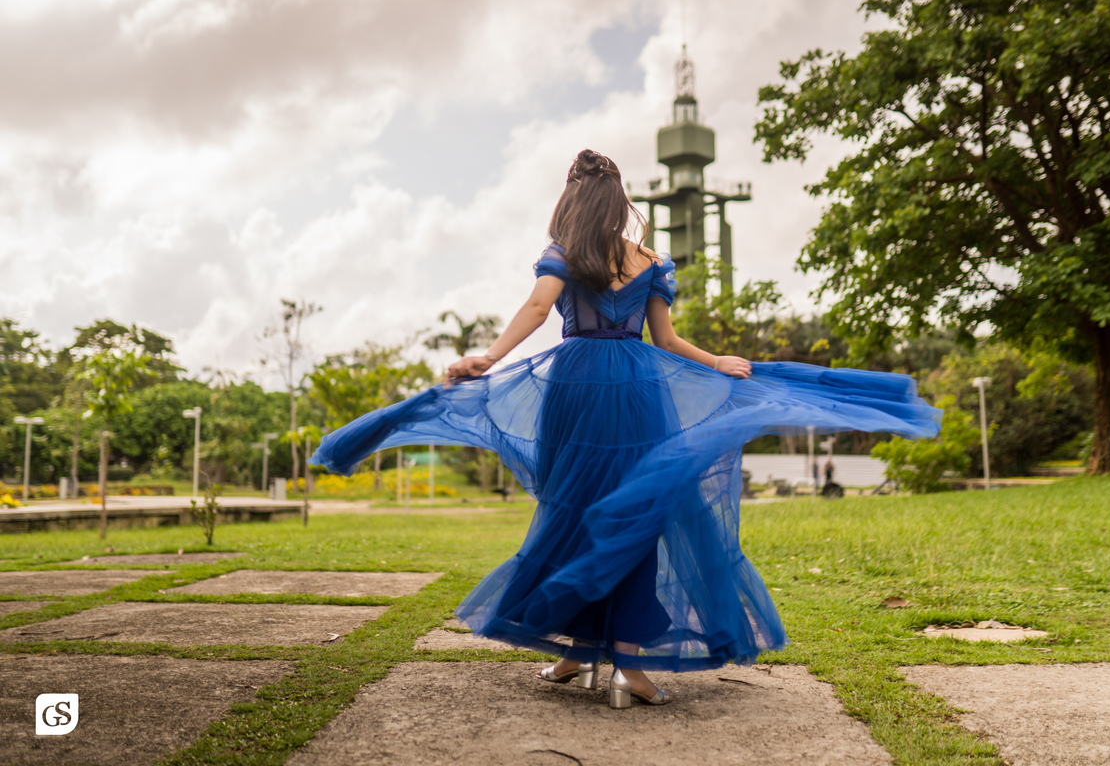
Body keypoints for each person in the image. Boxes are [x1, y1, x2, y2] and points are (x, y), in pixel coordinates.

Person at [309, 149, 942, 709]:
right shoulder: (650, 260)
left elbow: (537, 308)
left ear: (574, 201)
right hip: (639, 392)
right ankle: (617, 655)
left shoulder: (564, 255)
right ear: (622, 203)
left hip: (578, 387)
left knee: (577, 511)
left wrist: (490, 357)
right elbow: (664, 339)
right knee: (635, 515)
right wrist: (714, 360)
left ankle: (585, 648)